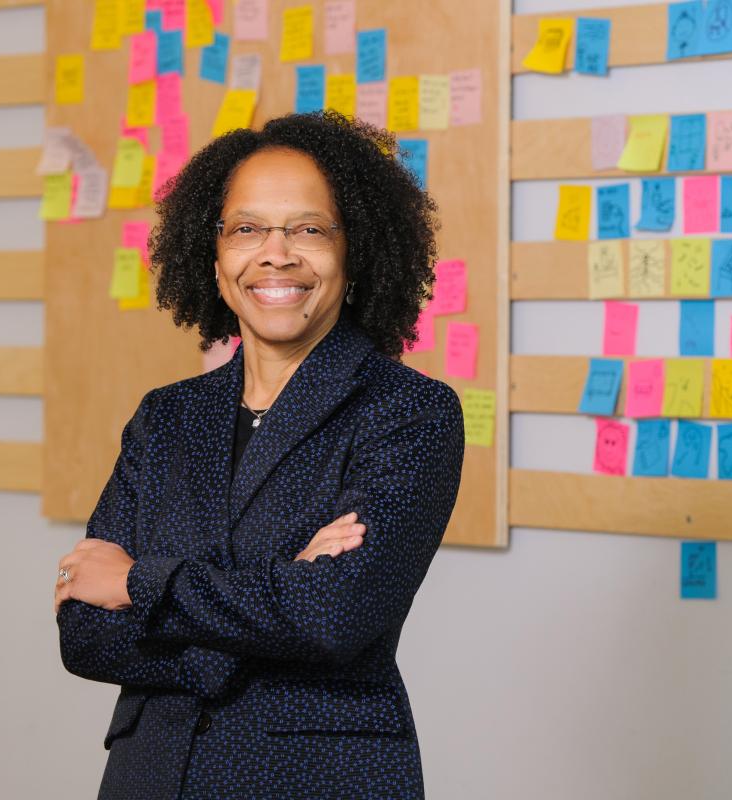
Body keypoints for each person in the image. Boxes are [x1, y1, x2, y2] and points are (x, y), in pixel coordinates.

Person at [53, 110, 465, 799]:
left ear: (353, 251)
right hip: (151, 776)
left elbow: (332, 617)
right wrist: (278, 589)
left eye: (308, 228)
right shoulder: (166, 418)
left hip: (313, 781)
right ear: (213, 259)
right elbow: (86, 635)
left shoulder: (408, 413)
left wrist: (140, 584)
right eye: (246, 229)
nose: (276, 254)